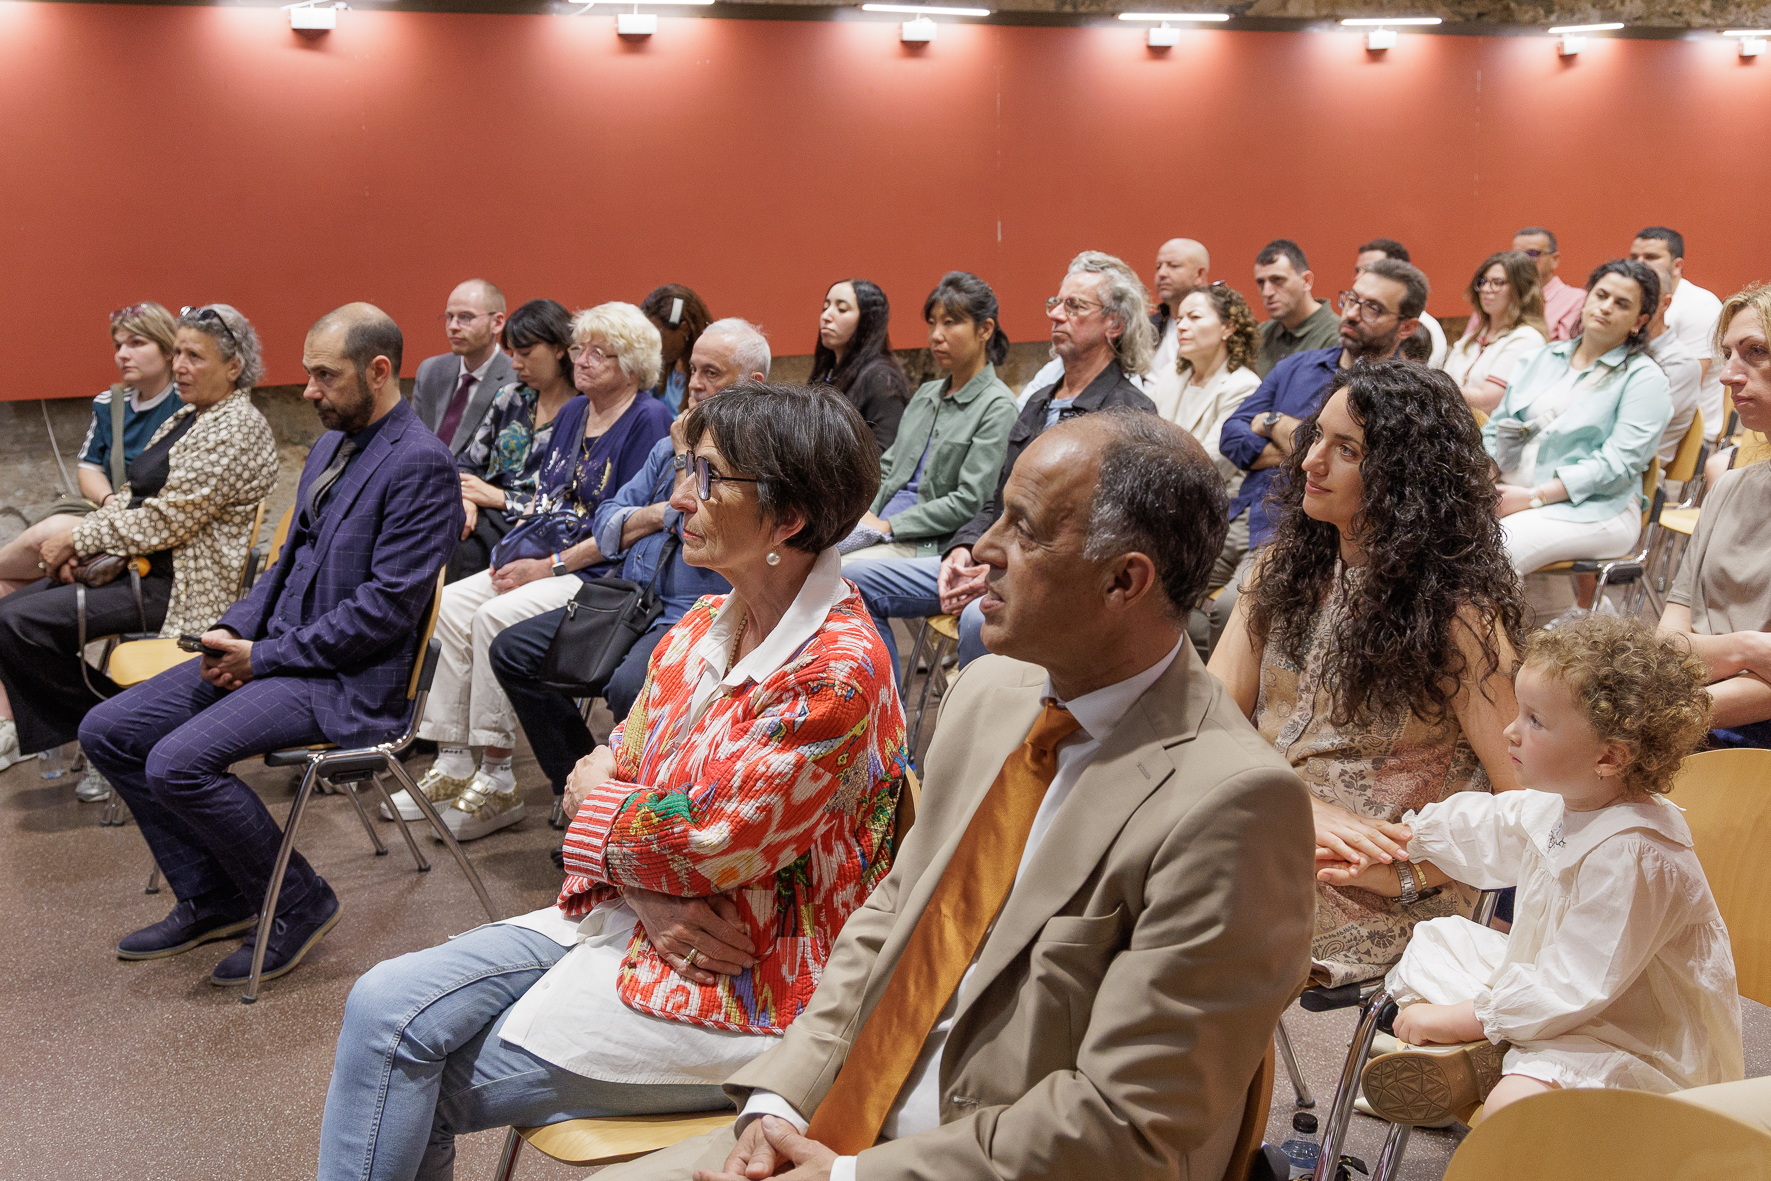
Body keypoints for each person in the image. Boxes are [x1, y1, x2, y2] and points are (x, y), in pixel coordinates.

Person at [593, 409, 1315, 1181]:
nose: (983, 549)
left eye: (1025, 529)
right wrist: (782, 1103)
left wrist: (849, 1177)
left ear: (1123, 580)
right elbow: (891, 915)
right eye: (997, 513)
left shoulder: (1232, 802)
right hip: (840, 1122)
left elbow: (1124, 1123)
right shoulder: (989, 694)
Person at [316, 383, 908, 1181]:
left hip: (751, 974)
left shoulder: (834, 672)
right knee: (382, 1001)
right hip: (643, 913)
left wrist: (613, 814)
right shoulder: (706, 622)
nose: (678, 496)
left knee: (404, 1071)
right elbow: (610, 778)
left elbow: (701, 842)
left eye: (706, 476)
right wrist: (644, 863)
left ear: (788, 519)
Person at [78, 303, 462, 986]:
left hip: (350, 681)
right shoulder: (330, 443)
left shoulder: (421, 465)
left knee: (175, 763)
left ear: (378, 372)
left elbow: (383, 614)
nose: (308, 390)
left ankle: (299, 900)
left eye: (324, 375)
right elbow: (285, 568)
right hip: (282, 654)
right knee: (107, 729)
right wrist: (233, 629)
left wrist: (265, 657)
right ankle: (214, 895)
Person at [1345, 616, 1741, 1125]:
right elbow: (1491, 827)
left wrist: (1465, 1018)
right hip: (1566, 1006)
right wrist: (1399, 840)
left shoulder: (1634, 854)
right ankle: (1493, 1056)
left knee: (1512, 1114)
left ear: (1609, 756)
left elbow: (1571, 984)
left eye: (1535, 719)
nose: (1511, 729)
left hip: (1628, 1036)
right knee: (1438, 942)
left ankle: (1496, 1057)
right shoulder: (1565, 802)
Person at [1210, 360, 1525, 986]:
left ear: (1404, 480)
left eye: (1345, 449)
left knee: (1169, 913)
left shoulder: (1459, 614)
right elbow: (1204, 717)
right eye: (1315, 438)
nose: (1309, 462)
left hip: (1378, 880)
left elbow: (1529, 806)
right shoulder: (1280, 569)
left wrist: (1411, 873)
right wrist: (1290, 804)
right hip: (1263, 825)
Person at [397, 302, 672, 841]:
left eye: (600, 353)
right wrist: (520, 556)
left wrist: (546, 566)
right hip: (543, 554)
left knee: (495, 619)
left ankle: (499, 775)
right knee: (451, 604)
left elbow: (628, 526)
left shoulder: (649, 418)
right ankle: (454, 760)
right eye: (579, 349)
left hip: (599, 572)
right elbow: (548, 498)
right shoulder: (573, 413)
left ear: (634, 365)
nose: (583, 361)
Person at [485, 319, 769, 828]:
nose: (696, 384)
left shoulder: (752, 457)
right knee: (513, 652)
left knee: (629, 685)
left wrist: (679, 476)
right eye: (692, 370)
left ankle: (635, 821)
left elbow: (696, 523)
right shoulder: (668, 447)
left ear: (753, 384)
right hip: (629, 596)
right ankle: (581, 789)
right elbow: (606, 522)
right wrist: (655, 513)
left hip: (693, 609)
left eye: (711, 373)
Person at [0, 304, 278, 780]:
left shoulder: (236, 427)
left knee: (18, 623)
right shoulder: (191, 416)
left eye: (196, 356)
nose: (181, 366)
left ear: (234, 366)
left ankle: (112, 728)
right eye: (179, 353)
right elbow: (132, 496)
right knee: (11, 617)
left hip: (181, 587)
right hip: (139, 566)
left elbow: (167, 519)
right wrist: (83, 549)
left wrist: (75, 537)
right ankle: (117, 726)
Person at [846, 251, 1156, 675]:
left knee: (978, 619)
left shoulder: (1127, 412)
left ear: (1114, 324)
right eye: (1056, 303)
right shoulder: (1037, 403)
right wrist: (963, 549)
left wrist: (1001, 565)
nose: (1056, 315)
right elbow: (995, 502)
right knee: (852, 580)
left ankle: (995, 734)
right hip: (991, 560)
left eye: (1074, 306)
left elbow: (1101, 531)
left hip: (1056, 575)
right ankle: (883, 729)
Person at [1215, 258, 1429, 628]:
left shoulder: (1404, 398)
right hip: (1244, 510)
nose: (1352, 314)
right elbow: (1232, 434)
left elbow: (1373, 468)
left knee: (1228, 607)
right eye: (1352, 299)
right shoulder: (1296, 367)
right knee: (1165, 583)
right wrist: (1288, 432)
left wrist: (1272, 423)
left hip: (1305, 529)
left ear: (1407, 326)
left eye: (1373, 308)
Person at [1482, 260, 1672, 578]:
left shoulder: (1645, 379)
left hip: (1596, 509)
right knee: (1438, 532)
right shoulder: (1541, 358)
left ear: (1638, 321)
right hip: (1510, 493)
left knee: (1496, 550)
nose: (1606, 307)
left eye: (1621, 303)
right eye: (1601, 295)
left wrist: (1533, 497)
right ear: (1586, 300)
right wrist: (1484, 481)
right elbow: (1496, 428)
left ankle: (1494, 629)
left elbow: (1617, 464)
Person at [0, 304, 185, 602]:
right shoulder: (110, 403)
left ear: (167, 350)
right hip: (106, 513)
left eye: (137, 343)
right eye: (119, 346)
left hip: (151, 527)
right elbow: (89, 467)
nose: (123, 354)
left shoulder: (186, 405)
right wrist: (109, 501)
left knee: (43, 536)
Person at [1660, 283, 1771, 748]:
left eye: (1756, 352)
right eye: (1727, 354)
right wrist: (1746, 649)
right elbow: (1667, 642)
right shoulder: (1729, 486)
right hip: (1690, 708)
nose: (1727, 375)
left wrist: (1654, 719)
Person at [843, 271, 1018, 564]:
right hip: (880, 526)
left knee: (842, 571)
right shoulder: (926, 394)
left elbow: (970, 501)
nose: (936, 335)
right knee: (799, 557)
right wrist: (864, 514)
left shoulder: (998, 406)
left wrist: (890, 526)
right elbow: (886, 469)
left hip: (929, 543)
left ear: (985, 329)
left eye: (951, 323)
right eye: (933, 323)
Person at [447, 298, 579, 583]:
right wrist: (466, 499)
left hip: (533, 530)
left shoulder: (585, 413)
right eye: (513, 353)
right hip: (481, 515)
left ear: (559, 349)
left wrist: (499, 498)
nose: (515, 364)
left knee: (458, 552)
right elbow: (467, 464)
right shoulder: (511, 397)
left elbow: (572, 505)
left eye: (526, 353)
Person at [1148, 281, 1261, 491]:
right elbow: (1141, 436)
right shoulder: (1170, 374)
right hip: (1158, 492)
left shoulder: (1244, 386)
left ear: (1228, 327)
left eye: (1195, 317)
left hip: (1214, 507)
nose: (1181, 326)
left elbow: (1211, 466)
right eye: (1179, 318)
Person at [1631, 227, 1724, 433]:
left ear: (1677, 266)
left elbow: (1688, 381)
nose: (1639, 264)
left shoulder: (1701, 306)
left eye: (1651, 257)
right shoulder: (1632, 301)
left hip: (1683, 432)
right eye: (1634, 257)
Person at [411, 279, 514, 455]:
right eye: (449, 317)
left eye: (465, 317)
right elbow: (412, 441)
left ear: (497, 323)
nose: (452, 327)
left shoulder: (515, 378)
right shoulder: (430, 371)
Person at [810, 278, 910, 453]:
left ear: (866, 320)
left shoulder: (882, 379)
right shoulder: (829, 371)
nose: (826, 316)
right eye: (825, 307)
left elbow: (886, 454)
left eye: (841, 309)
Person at [1442, 251, 1548, 413]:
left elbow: (1487, 401)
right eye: (1483, 281)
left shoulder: (1527, 338)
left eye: (1497, 282)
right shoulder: (1471, 338)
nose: (1485, 289)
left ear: (1521, 289)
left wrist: (1435, 392)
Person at [1628, 246, 1704, 466]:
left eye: (1644, 297)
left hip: (1633, 478)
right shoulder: (1608, 348)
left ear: (1665, 303)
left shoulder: (1679, 363)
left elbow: (1635, 435)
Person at [1355, 238, 1448, 367]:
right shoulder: (1355, 315)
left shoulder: (1425, 327)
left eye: (1372, 268)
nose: (1359, 277)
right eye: (1358, 270)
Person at [1253, 238, 1340, 376]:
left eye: (1278, 280)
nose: (1267, 292)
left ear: (1306, 281)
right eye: (1261, 283)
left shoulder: (1336, 336)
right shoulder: (1261, 334)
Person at [640, 283, 713, 412]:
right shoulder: (660, 366)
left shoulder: (711, 378)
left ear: (684, 329)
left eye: (657, 335)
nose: (650, 345)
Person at [1149, 236, 1211, 379]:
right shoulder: (1147, 328)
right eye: (1158, 266)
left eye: (1173, 265)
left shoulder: (1217, 328)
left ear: (1199, 275)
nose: (1162, 273)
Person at [1513, 227, 1584, 341]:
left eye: (1532, 253)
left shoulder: (1576, 300)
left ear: (1554, 259)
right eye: (1516, 255)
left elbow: (1565, 352)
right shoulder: (1499, 295)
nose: (1522, 261)